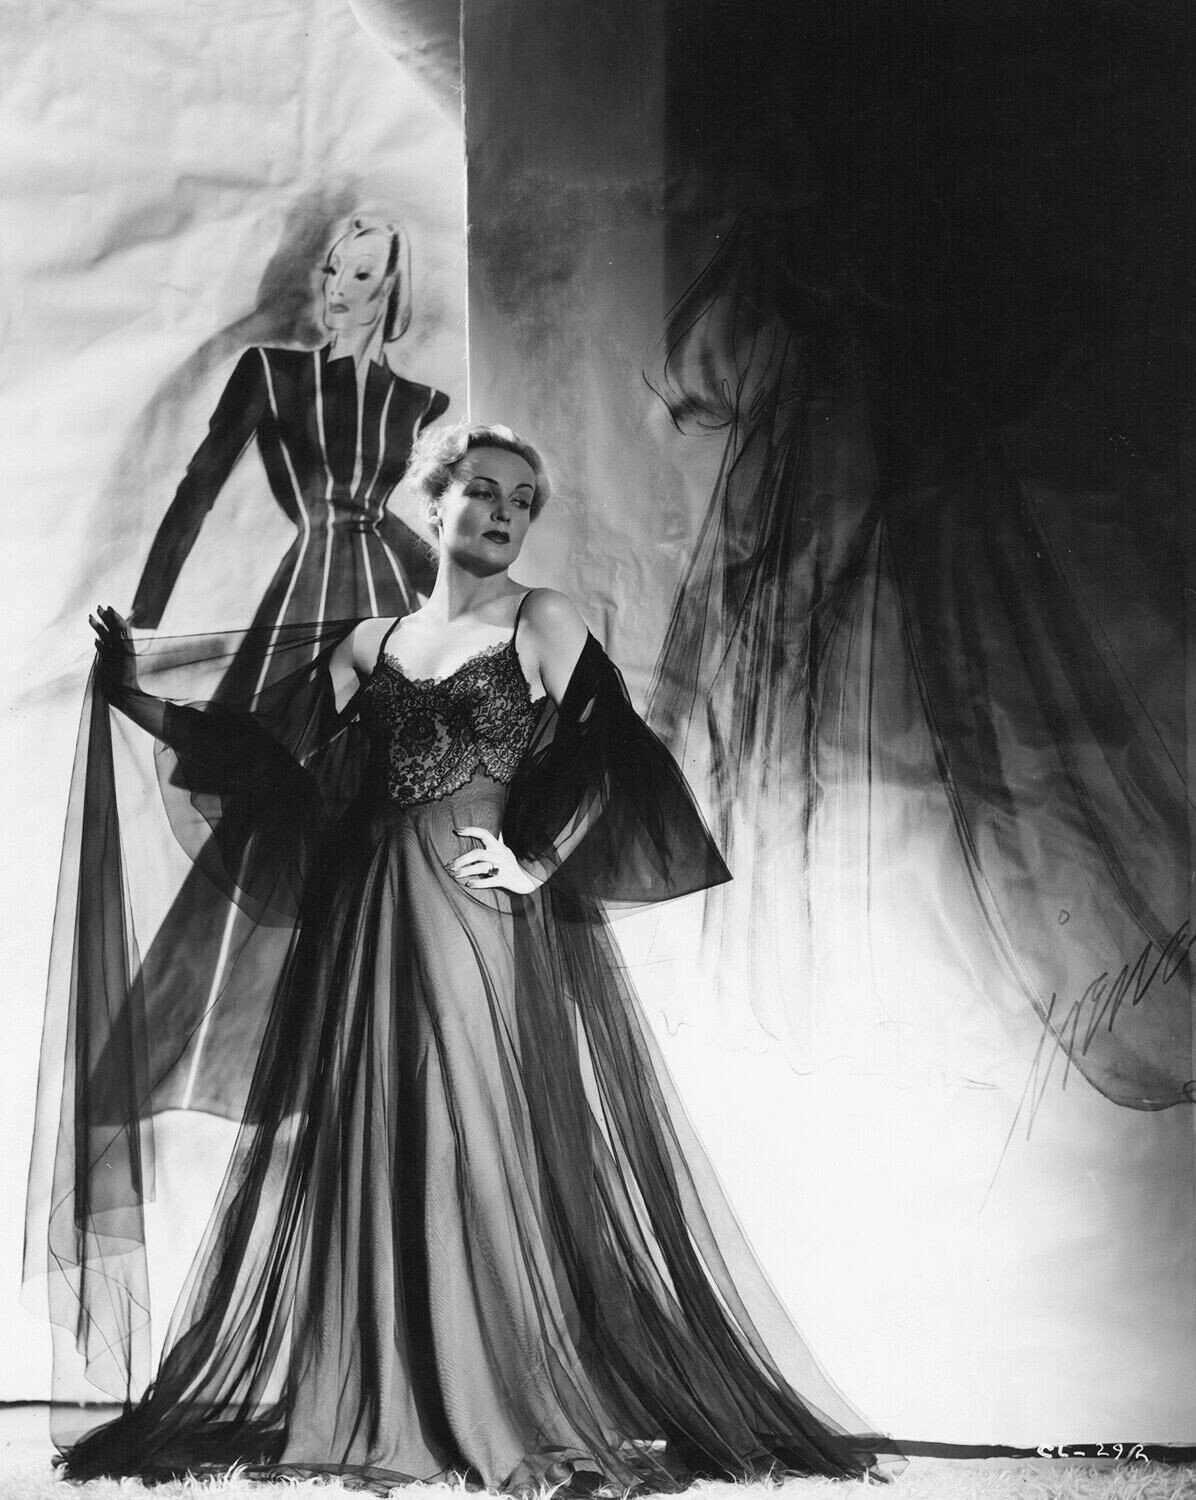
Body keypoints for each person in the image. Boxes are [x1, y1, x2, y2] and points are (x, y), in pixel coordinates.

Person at [34, 424, 887, 1493]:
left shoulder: (542, 618)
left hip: (473, 907)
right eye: (483, 490)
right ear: (432, 503)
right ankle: (378, 1399)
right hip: (372, 908)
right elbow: (263, 758)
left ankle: (498, 1398)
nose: (503, 513)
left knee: (475, 1131)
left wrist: (537, 865)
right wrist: (129, 694)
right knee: (376, 1131)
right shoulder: (370, 642)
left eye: (522, 502)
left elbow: (611, 749)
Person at [114, 212, 451, 1118]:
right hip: (302, 604)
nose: (336, 287)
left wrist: (463, 600)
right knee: (270, 807)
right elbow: (199, 485)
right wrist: (147, 614)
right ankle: (241, 1065)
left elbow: (388, 521)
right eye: (333, 269)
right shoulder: (272, 373)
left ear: (392, 288)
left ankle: (370, 1065)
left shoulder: (421, 404)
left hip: (386, 606)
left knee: (382, 818)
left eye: (361, 274)